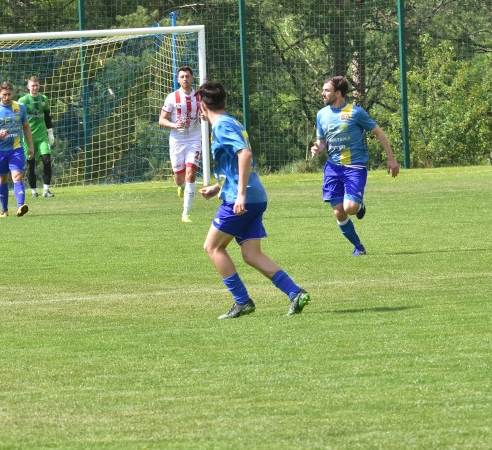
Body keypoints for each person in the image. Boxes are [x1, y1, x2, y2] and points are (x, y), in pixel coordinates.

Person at [196, 82, 309, 319]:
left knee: (213, 247)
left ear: (202, 107)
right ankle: (295, 292)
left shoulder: (222, 125)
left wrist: (240, 195)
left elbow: (244, 155)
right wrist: (219, 188)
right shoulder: (232, 122)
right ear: (224, 102)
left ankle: (242, 301)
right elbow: (235, 165)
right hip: (255, 196)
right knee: (251, 254)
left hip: (244, 198)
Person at [310, 76, 400, 256]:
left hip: (354, 167)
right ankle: (358, 246)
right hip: (332, 169)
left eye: (326, 90)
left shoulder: (356, 112)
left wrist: (391, 159)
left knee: (350, 208)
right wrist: (317, 148)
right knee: (339, 213)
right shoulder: (322, 114)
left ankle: (359, 206)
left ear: (338, 93)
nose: (323, 93)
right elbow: (322, 142)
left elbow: (380, 133)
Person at [0, 81, 34, 217]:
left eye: (9, 94)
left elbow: (26, 127)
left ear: (13, 94)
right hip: (0, 151)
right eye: (4, 94)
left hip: (16, 149)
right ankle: (4, 210)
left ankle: (20, 206)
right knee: (2, 179)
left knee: (17, 176)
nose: (6, 97)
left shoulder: (20, 107)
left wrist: (31, 145)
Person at [158, 66, 203, 222]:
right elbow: (161, 120)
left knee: (191, 173)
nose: (185, 79)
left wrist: (204, 115)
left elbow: (205, 112)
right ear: (178, 79)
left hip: (194, 139)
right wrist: (174, 125)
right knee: (179, 178)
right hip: (177, 140)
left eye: (187, 76)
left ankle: (186, 213)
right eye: (182, 76)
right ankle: (181, 187)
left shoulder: (199, 96)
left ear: (192, 78)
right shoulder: (172, 97)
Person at [18, 76, 56, 198]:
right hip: (28, 137)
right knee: (30, 164)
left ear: (39, 86)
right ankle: (34, 191)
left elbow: (47, 116)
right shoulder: (23, 101)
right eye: (32, 85)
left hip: (42, 136)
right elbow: (19, 119)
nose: (35, 88)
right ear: (28, 87)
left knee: (46, 160)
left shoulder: (44, 99)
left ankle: (46, 190)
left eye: (37, 85)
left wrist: (50, 132)